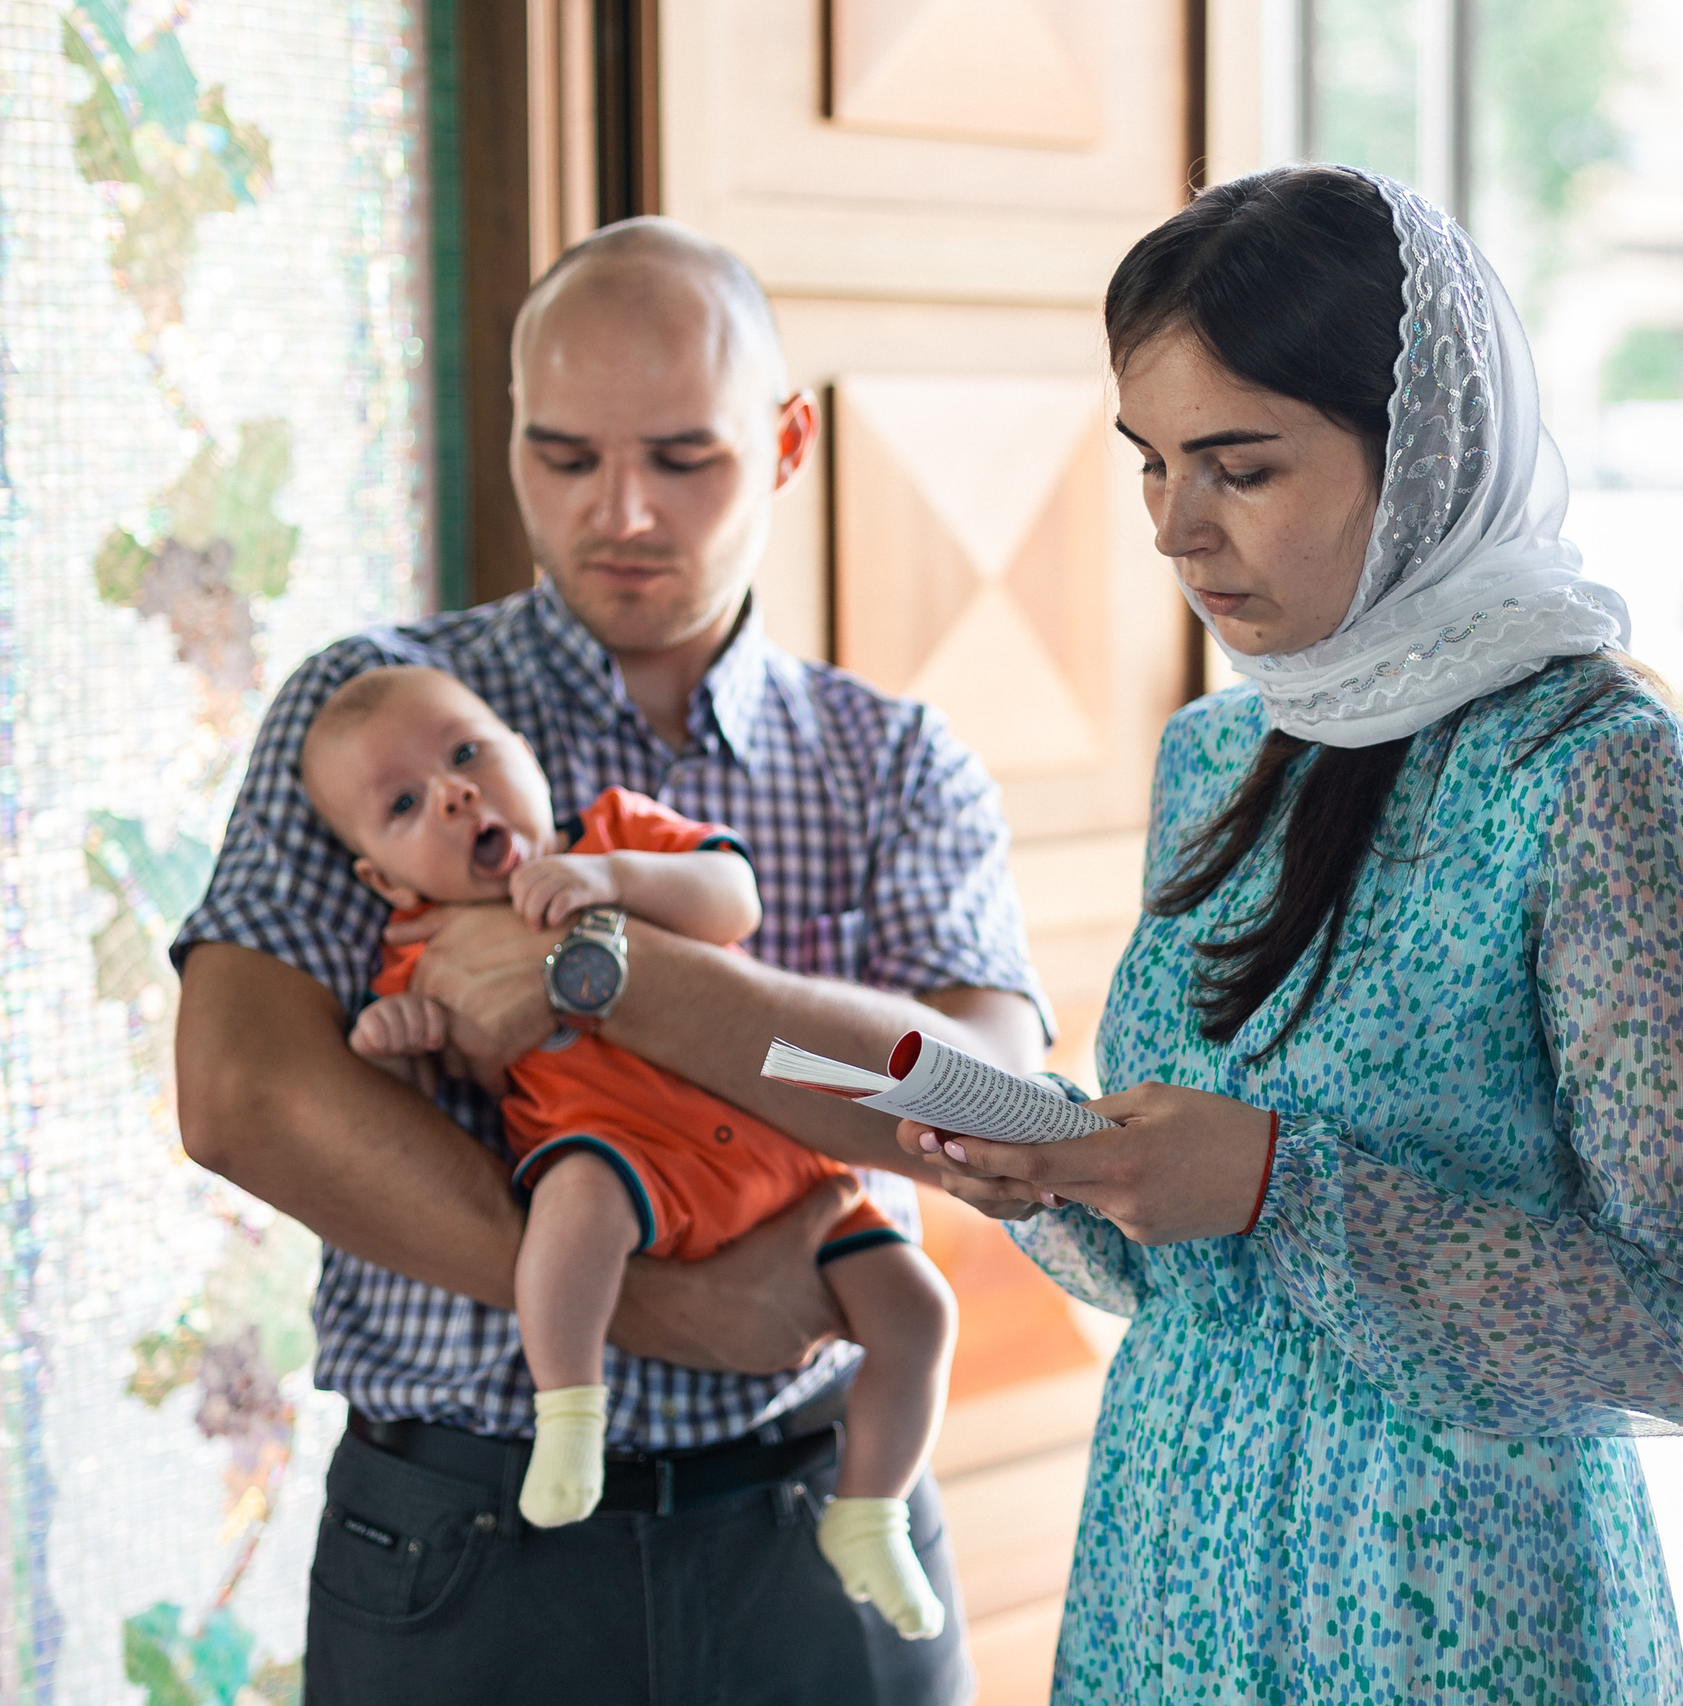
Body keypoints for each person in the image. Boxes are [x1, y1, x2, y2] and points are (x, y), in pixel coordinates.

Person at [905, 166, 1683, 1702]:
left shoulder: (1594, 776)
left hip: (1445, 1618)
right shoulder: (1214, 757)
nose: (1178, 529)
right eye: (1151, 464)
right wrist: (1059, 1176)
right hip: (1167, 1583)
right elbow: (1184, 1271)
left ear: (1426, 450)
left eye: (1240, 467)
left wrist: (1273, 1181)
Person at [173, 217, 1043, 1704]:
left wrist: (613, 977)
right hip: (462, 1546)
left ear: (783, 443)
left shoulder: (895, 763)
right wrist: (659, 1308)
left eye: (682, 459)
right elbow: (239, 1095)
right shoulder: (379, 719)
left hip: (820, 1531)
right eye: (563, 455)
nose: (620, 509)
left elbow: (994, 1107)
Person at [300, 663, 952, 1636]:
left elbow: (732, 896)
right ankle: (571, 1413)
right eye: (404, 804)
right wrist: (397, 1039)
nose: (454, 791)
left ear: (527, 754)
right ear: (387, 878)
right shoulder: (421, 942)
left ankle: (869, 1508)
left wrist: (608, 881)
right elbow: (421, 1112)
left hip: (780, 1153)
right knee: (571, 1208)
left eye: (468, 753)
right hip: (616, 1151)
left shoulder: (614, 830)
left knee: (919, 1308)